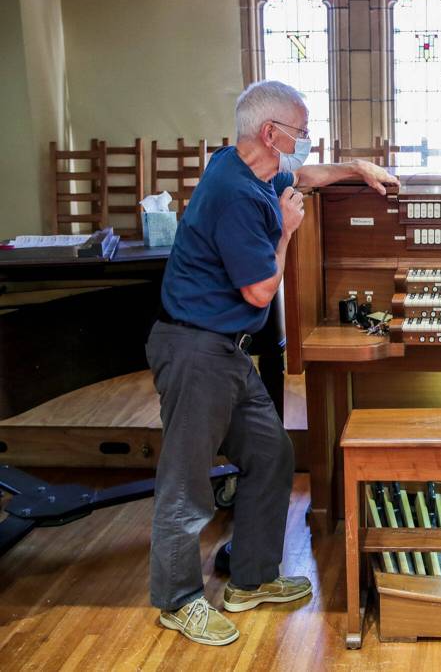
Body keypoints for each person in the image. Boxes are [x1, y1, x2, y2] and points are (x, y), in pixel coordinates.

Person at [147, 80, 399, 646]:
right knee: (187, 483)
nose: (306, 143)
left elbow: (304, 176)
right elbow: (261, 292)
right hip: (194, 350)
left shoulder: (250, 167)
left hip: (225, 350)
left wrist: (355, 166)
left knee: (272, 453)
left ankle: (250, 579)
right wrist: (287, 233)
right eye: (302, 132)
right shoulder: (234, 195)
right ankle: (177, 600)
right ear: (271, 133)